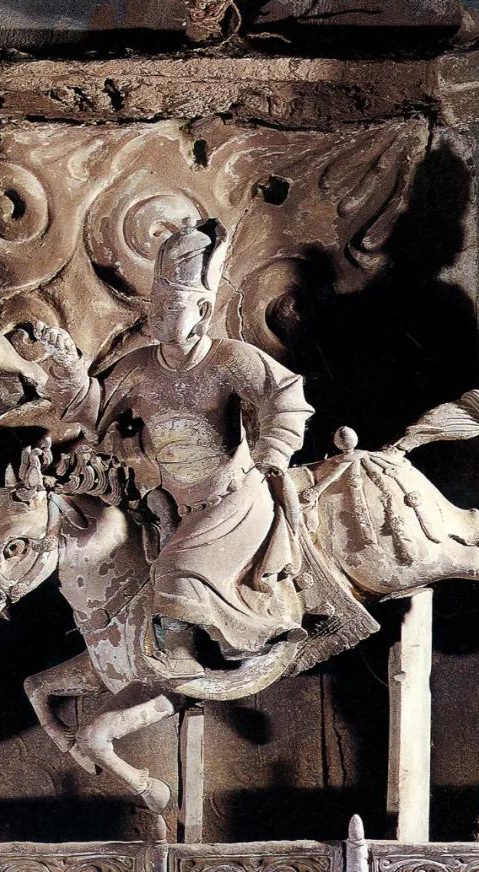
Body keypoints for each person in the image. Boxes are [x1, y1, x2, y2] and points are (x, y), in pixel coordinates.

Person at [35, 218, 314, 678]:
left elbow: (284, 396)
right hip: (175, 506)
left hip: (233, 500)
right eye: (156, 306)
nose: (159, 316)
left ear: (202, 311)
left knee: (176, 572)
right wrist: (67, 369)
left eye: (172, 307)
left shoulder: (229, 359)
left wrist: (273, 450)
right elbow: (93, 411)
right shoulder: (139, 368)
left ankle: (187, 660)